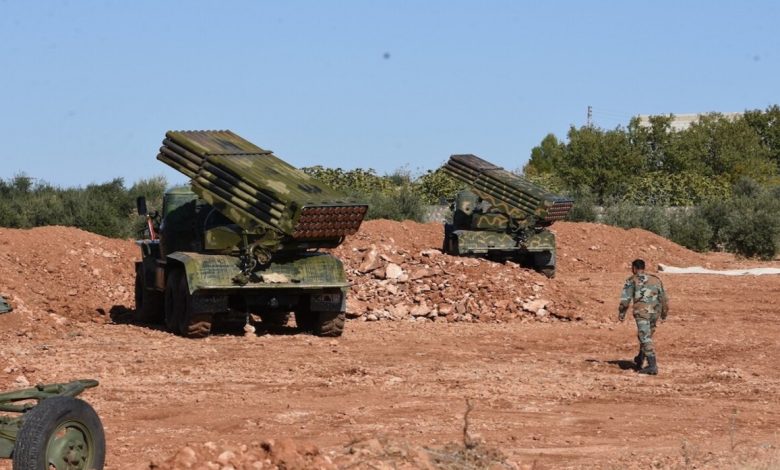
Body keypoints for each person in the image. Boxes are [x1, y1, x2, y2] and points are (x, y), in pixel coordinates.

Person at [618, 259, 669, 375]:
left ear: (634, 268)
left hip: (642, 312)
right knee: (646, 335)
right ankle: (640, 358)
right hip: (655, 312)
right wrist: (664, 313)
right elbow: (664, 298)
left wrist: (621, 313)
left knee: (644, 336)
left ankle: (652, 365)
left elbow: (625, 300)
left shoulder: (632, 280)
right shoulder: (656, 279)